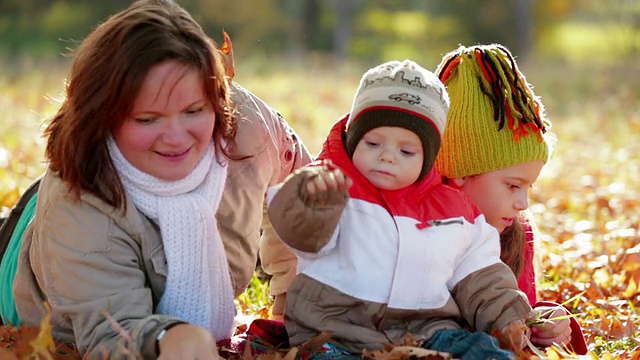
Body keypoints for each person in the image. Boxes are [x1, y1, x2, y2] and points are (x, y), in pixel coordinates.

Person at [10, 0, 312, 358]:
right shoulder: (77, 205)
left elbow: (305, 200)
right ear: (102, 117)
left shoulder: (248, 128)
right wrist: (172, 341)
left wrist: (293, 302)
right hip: (38, 266)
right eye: (147, 119)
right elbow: (109, 333)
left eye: (193, 111)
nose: (176, 137)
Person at [266, 59, 532, 359]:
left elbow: (480, 274)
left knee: (480, 351)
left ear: (428, 156)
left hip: (426, 332)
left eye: (406, 151)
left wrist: (508, 316)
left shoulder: (454, 211)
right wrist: (311, 203)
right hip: (337, 332)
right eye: (374, 143)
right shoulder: (332, 188)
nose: (388, 157)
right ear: (354, 140)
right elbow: (297, 233)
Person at [434, 43, 588, 355]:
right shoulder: (414, 225)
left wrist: (548, 321)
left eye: (528, 187)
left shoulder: (517, 232)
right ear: (461, 169)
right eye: (513, 186)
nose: (523, 204)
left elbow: (521, 309)